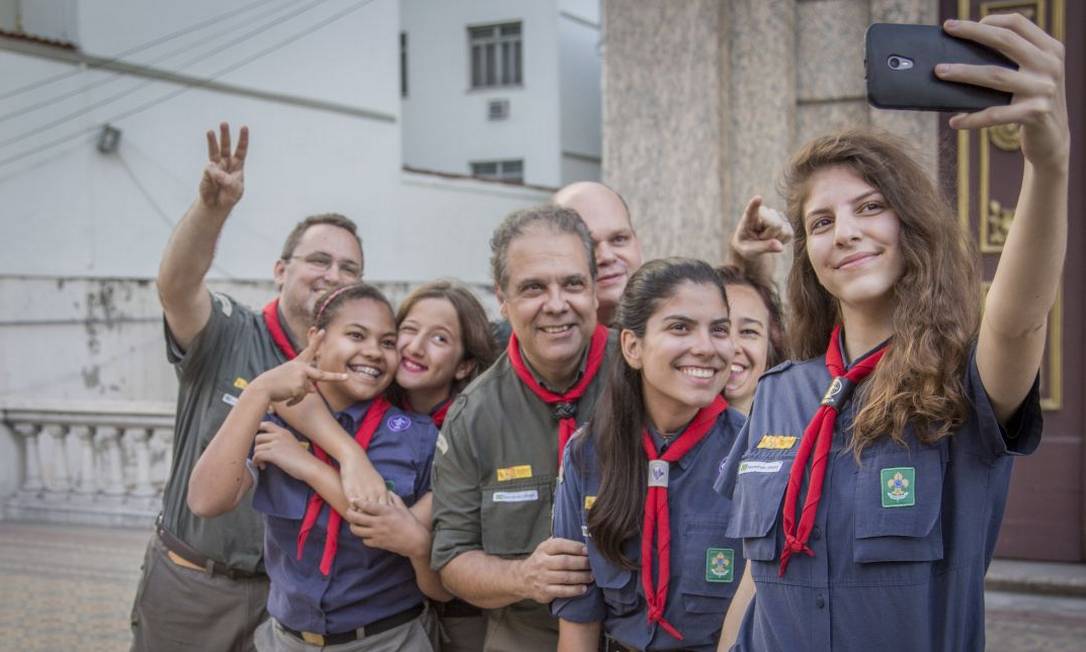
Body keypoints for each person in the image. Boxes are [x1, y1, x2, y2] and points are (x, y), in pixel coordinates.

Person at [715, 15, 1066, 651]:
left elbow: (1020, 320)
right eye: (821, 222)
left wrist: (1048, 164)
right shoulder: (781, 391)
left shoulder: (964, 382)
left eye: (870, 207)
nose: (843, 231)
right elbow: (755, 577)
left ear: (913, 229)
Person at [132, 123, 378, 652]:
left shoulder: (359, 369)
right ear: (280, 270)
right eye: (319, 260)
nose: (333, 274)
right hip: (193, 585)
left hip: (290, 602)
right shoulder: (228, 332)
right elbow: (176, 285)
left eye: (349, 268)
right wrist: (212, 209)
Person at [188, 282, 446, 651]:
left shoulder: (416, 437)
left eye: (387, 343)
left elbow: (393, 530)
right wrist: (257, 393)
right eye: (356, 335)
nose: (373, 352)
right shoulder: (278, 424)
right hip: (287, 640)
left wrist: (307, 465)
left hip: (386, 639)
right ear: (317, 340)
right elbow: (205, 502)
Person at [430, 205, 620, 651]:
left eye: (572, 283)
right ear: (503, 298)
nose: (556, 304)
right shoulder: (472, 416)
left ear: (595, 290)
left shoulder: (644, 376)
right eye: (533, 287)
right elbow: (451, 559)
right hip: (526, 636)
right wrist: (524, 576)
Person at [552, 258, 747, 651]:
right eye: (680, 327)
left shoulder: (754, 454)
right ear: (632, 346)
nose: (706, 347)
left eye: (719, 330)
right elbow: (579, 621)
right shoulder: (587, 454)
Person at [384, 279, 499, 652]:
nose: (415, 347)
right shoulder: (372, 408)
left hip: (460, 611)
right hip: (387, 609)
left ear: (465, 365)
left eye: (439, 339)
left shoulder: (477, 425)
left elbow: (409, 525)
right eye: (409, 330)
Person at [716, 265, 785, 416]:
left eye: (748, 331)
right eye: (719, 330)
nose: (732, 346)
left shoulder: (800, 427)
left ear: (771, 345)